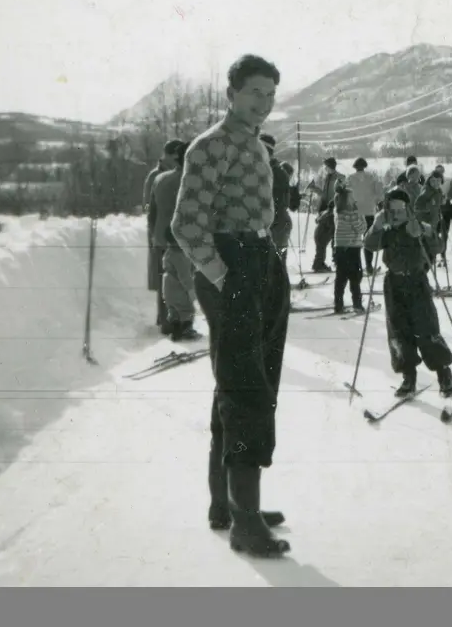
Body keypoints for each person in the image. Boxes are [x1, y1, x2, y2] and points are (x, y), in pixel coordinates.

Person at [170, 53, 291, 559]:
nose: (263, 103)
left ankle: (228, 504)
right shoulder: (210, 147)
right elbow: (185, 225)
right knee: (246, 390)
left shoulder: (255, 147)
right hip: (234, 267)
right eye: (254, 93)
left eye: (270, 94)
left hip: (260, 260)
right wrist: (225, 279)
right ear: (231, 94)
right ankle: (245, 521)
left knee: (245, 382)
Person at [363, 188, 452, 397]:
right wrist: (375, 227)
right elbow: (369, 245)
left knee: (427, 328)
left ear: (407, 209)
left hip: (417, 282)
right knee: (398, 331)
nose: (395, 215)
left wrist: (427, 231)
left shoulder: (416, 227)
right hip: (393, 283)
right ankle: (408, 376)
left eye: (399, 209)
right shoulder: (387, 232)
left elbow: (439, 247)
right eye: (391, 210)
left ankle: (444, 374)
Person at [149, 140, 200, 340]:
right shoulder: (192, 181)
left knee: (167, 283)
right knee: (184, 282)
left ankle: (167, 322)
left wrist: (155, 233)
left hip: (162, 237)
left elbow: (152, 212)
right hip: (183, 239)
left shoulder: (160, 179)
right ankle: (184, 324)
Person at [145, 142, 182, 329]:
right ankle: (166, 317)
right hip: (162, 234)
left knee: (169, 277)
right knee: (165, 277)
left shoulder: (170, 174)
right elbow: (149, 207)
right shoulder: (156, 175)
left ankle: (167, 316)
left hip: (164, 234)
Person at [259, 133, 301, 264]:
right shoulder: (269, 170)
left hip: (276, 225)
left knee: (274, 267)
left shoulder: (274, 172)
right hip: (274, 224)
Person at [331, 183, 368, 314]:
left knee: (340, 277)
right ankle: (357, 304)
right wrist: (359, 215)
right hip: (352, 248)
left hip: (340, 248)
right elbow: (362, 228)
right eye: (352, 198)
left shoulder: (338, 212)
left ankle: (338, 304)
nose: (354, 200)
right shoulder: (351, 214)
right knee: (355, 277)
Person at [346, 157, 385, 275]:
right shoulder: (372, 178)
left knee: (356, 240)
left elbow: (346, 194)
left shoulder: (350, 178)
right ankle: (369, 266)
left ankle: (356, 266)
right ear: (365, 166)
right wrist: (378, 202)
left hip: (355, 213)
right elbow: (380, 194)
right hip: (369, 212)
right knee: (368, 240)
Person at [307, 158, 344, 273]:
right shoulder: (327, 178)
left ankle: (335, 261)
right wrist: (315, 190)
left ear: (330, 166)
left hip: (334, 210)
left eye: (326, 166)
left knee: (333, 237)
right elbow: (325, 195)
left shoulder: (340, 178)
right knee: (323, 237)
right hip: (326, 210)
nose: (325, 168)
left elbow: (338, 194)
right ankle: (322, 262)